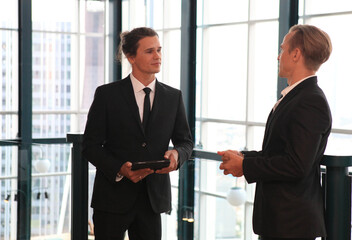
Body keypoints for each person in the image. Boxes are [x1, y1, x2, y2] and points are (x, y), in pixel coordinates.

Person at [218, 24, 332, 240]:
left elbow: (296, 165)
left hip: (291, 225)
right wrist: (244, 157)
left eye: (282, 49)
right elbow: (278, 151)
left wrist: (245, 166)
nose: (278, 57)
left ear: (296, 54)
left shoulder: (310, 100)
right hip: (281, 222)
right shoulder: (296, 97)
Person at [82, 27, 193, 240]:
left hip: (152, 201)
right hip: (112, 199)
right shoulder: (107, 95)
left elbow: (185, 142)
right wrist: (119, 169)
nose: (158, 56)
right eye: (150, 51)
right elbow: (90, 146)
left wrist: (177, 155)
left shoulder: (173, 97)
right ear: (130, 56)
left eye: (159, 50)